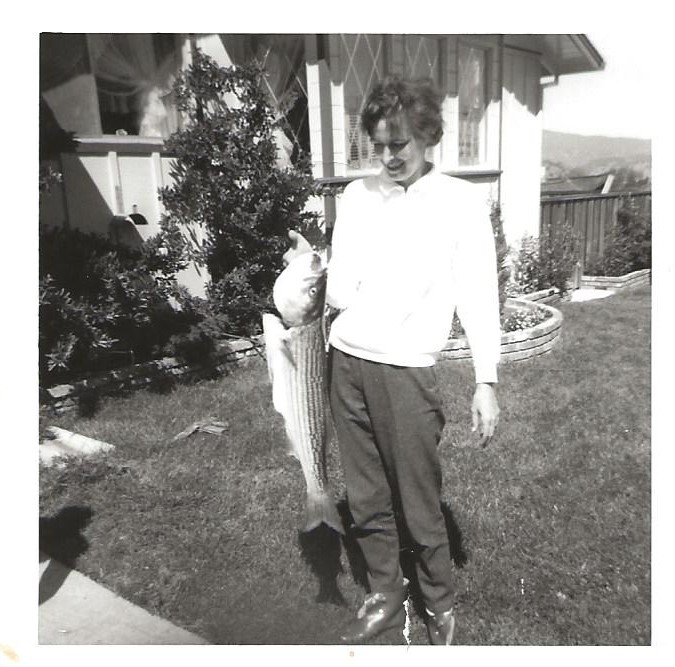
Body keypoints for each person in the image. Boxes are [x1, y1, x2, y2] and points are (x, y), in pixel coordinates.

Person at [284, 75, 500, 645]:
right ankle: (385, 591)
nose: (387, 157)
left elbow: (479, 294)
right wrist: (310, 270)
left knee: (419, 499)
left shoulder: (461, 203)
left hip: (407, 371)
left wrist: (485, 380)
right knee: (365, 496)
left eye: (398, 144)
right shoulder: (358, 197)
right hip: (345, 362)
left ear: (427, 135)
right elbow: (340, 293)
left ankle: (439, 602)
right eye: (377, 145)